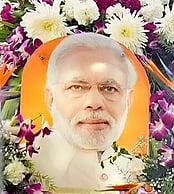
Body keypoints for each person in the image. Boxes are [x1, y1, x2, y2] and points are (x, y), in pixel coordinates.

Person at [33, 33, 136, 191]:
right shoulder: (18, 166)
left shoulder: (143, 171)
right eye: (77, 87)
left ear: (128, 100)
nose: (94, 103)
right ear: (50, 98)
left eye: (109, 88)